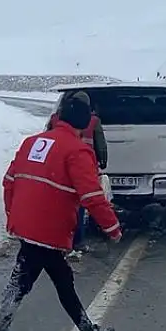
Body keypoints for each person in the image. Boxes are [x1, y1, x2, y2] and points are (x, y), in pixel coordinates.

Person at [0, 93, 122, 331]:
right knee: (26, 285)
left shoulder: (32, 142)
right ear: (84, 120)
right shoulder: (77, 150)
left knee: (53, 281)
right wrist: (112, 227)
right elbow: (92, 195)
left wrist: (14, 215)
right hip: (48, 231)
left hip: (29, 227)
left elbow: (9, 181)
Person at [46, 92, 109, 258]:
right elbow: (100, 144)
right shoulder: (93, 121)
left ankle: (56, 239)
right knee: (80, 205)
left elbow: (47, 139)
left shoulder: (56, 118)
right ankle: (77, 241)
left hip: (59, 168)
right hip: (84, 166)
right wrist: (103, 161)